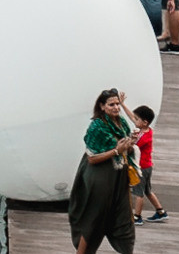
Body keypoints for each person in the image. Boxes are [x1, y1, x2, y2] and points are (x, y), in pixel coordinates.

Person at [70, 87, 137, 254]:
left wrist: (130, 144)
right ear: (102, 106)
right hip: (100, 179)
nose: (115, 107)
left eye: (117, 104)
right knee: (94, 220)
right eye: (111, 104)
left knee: (124, 218)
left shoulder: (121, 122)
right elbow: (92, 158)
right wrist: (116, 151)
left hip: (119, 179)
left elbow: (125, 145)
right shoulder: (97, 127)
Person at [130, 104, 165, 224]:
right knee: (148, 191)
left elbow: (132, 146)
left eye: (136, 119)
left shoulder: (144, 137)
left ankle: (137, 216)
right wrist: (123, 104)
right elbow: (131, 117)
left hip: (141, 168)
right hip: (148, 166)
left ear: (144, 122)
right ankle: (160, 211)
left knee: (138, 193)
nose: (134, 121)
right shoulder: (148, 131)